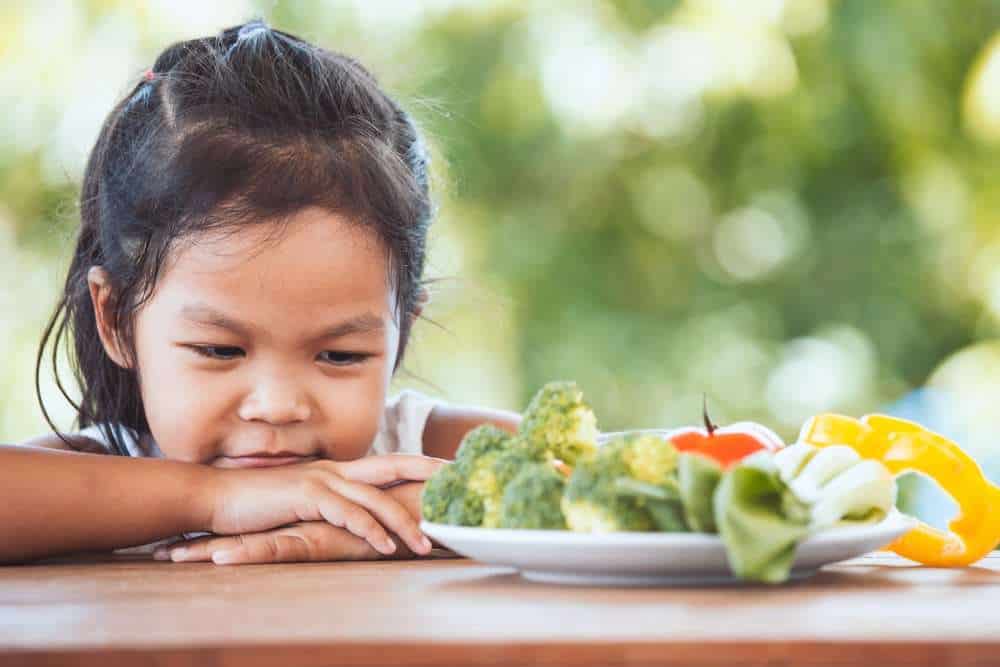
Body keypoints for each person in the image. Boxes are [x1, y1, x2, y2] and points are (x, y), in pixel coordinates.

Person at [1, 20, 520, 565]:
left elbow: (610, 473)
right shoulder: (107, 473)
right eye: (220, 350)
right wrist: (211, 500)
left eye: (340, 355)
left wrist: (433, 509)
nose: (278, 407)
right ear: (116, 321)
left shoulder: (421, 452)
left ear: (401, 332)